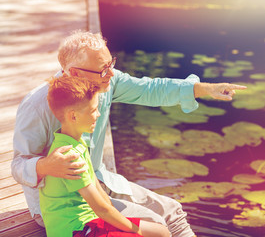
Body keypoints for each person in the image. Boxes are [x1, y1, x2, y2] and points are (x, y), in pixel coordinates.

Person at [12, 30, 246, 237]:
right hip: (64, 208)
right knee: (155, 224)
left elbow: (152, 89)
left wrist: (205, 89)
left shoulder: (105, 82)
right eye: (103, 70)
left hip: (98, 181)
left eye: (111, 64)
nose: (111, 75)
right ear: (73, 73)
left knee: (173, 212)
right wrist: (46, 166)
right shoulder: (36, 106)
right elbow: (18, 165)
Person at [42, 76, 170, 237]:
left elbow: (100, 193)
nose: (98, 114)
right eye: (93, 110)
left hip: (90, 221)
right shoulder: (69, 156)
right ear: (73, 116)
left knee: (162, 232)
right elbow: (101, 209)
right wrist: (137, 231)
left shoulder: (77, 142)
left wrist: (121, 222)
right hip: (76, 230)